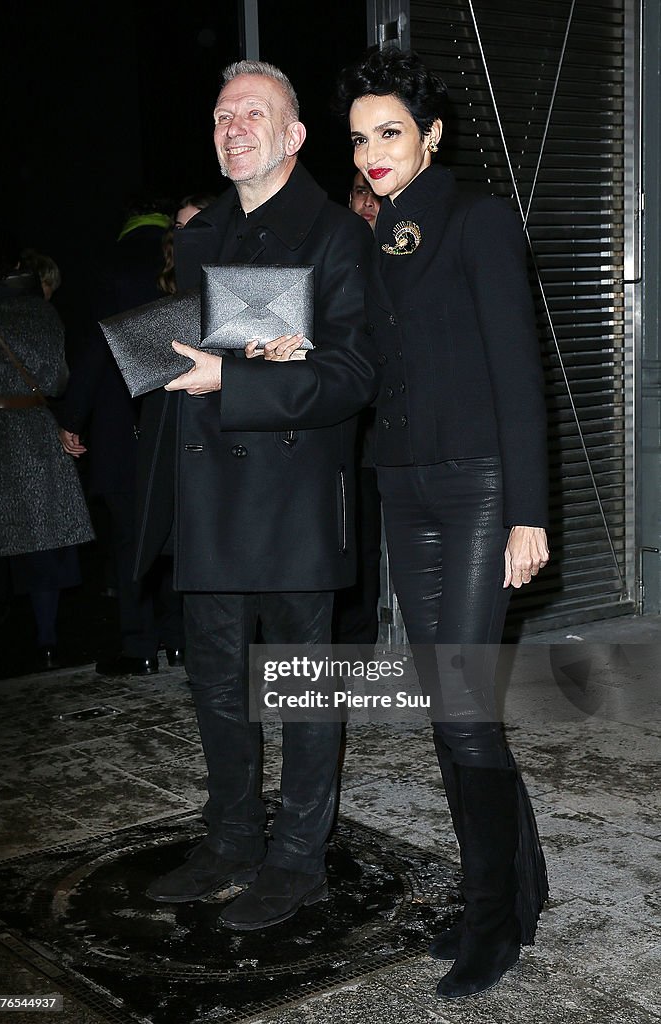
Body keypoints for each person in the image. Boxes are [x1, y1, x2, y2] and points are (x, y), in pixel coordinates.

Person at [135, 60, 377, 930]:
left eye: (252, 113)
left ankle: (299, 858)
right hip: (208, 500)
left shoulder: (335, 236)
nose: (232, 127)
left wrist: (228, 383)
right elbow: (205, 347)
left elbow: (351, 376)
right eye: (221, 115)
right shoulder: (199, 234)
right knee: (215, 685)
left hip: (292, 500)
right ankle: (232, 835)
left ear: (295, 135)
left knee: (305, 691)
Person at [332, 48, 550, 999]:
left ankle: (490, 920)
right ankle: (518, 885)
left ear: (430, 135)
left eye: (389, 132)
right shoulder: (367, 237)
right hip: (403, 487)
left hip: (476, 490)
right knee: (451, 709)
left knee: (461, 712)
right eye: (358, 138)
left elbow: (517, 372)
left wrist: (528, 515)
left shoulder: (477, 218)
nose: (373, 152)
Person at [57, 198, 185, 676]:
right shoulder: (182, 254)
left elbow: (96, 349)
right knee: (176, 531)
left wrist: (73, 417)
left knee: (131, 537)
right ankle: (178, 639)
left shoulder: (112, 267)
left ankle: (139, 645)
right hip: (179, 415)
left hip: (119, 420)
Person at [0, 230, 94, 671]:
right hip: (32, 431)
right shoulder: (40, 313)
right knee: (44, 543)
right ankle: (46, 640)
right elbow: (58, 381)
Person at [332, 171, 383, 654]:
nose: (365, 202)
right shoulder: (336, 258)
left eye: (374, 194)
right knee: (356, 542)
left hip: (396, 421)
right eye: (357, 193)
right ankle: (354, 646)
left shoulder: (400, 257)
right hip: (351, 430)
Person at [157, 194, 215, 296]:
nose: (186, 235)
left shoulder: (229, 272)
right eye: (180, 228)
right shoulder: (167, 275)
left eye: (195, 228)